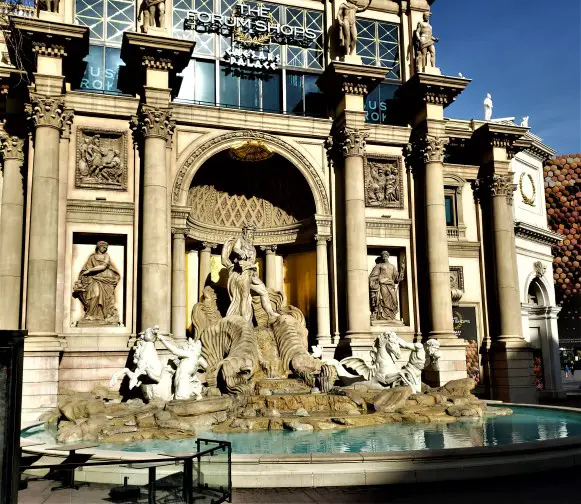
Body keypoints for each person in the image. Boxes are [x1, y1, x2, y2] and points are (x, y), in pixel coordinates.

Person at [222, 223, 279, 322]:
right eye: (248, 232)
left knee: (263, 291)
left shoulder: (253, 248)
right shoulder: (240, 241)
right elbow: (235, 248)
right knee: (245, 296)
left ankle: (270, 314)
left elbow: (252, 261)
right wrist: (241, 252)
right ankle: (244, 320)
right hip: (242, 272)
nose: (250, 235)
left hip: (251, 272)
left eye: (252, 233)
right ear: (244, 232)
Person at [73, 241, 120, 324]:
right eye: (103, 247)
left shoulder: (106, 256)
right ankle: (90, 315)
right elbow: (85, 269)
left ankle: (102, 315)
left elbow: (104, 266)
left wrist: (89, 271)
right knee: (95, 295)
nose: (105, 249)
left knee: (103, 297)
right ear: (98, 246)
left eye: (106, 248)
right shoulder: (92, 257)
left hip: (105, 280)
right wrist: (84, 275)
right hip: (93, 279)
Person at [369, 251, 405, 322]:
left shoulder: (392, 266)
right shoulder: (379, 266)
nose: (384, 257)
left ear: (388, 256)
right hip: (383, 285)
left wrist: (400, 276)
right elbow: (372, 277)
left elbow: (396, 278)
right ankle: (383, 316)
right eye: (383, 255)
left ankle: (391, 316)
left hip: (391, 286)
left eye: (386, 255)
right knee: (384, 301)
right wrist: (380, 280)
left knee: (393, 301)